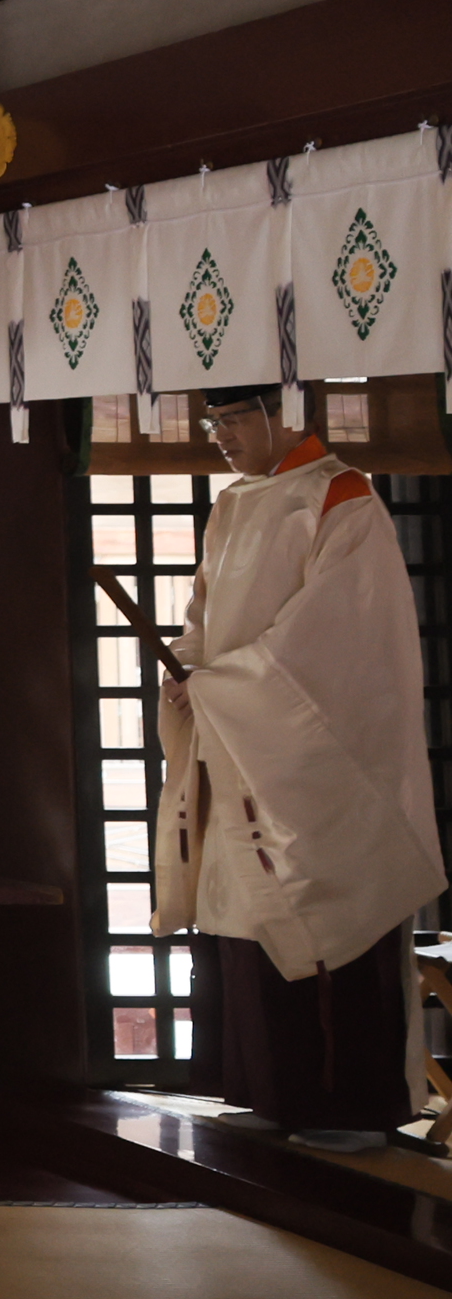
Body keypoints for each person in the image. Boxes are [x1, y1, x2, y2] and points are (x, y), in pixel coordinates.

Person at [158, 383, 444, 1151]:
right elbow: (203, 622)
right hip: (237, 743)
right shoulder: (233, 507)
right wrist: (186, 673)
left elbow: (332, 642)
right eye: (213, 420)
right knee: (243, 917)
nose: (220, 434)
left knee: (323, 912)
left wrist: (220, 685)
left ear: (287, 412)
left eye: (236, 417)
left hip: (319, 759)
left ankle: (350, 1107)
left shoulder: (342, 498)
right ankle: (267, 1091)